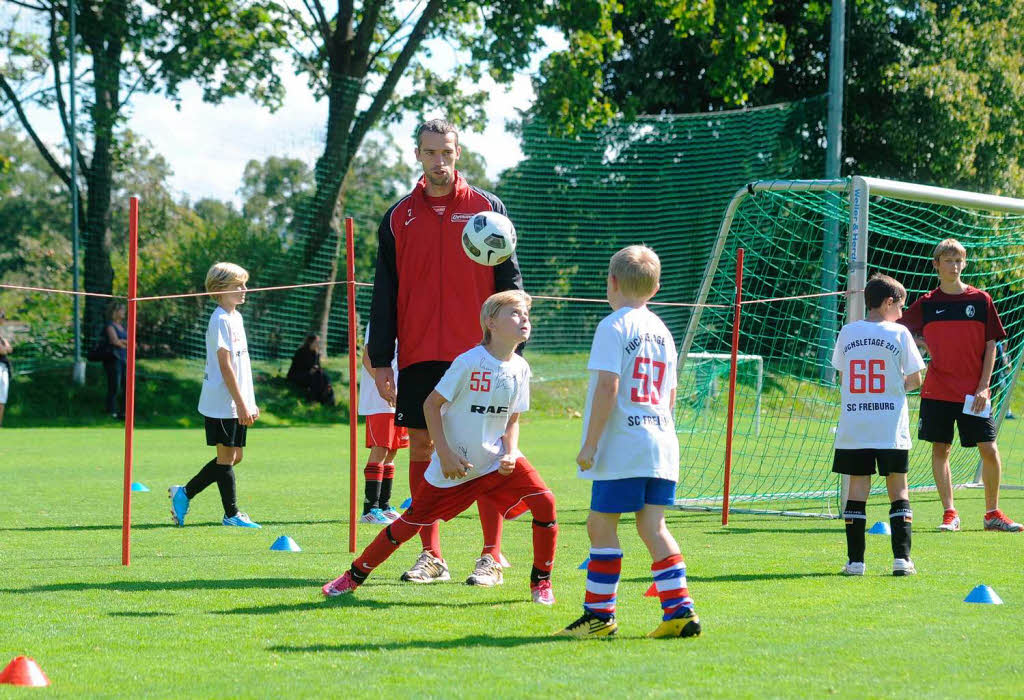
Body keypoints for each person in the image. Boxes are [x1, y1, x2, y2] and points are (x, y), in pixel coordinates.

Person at [322, 290, 558, 605]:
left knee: (545, 502)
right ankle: (353, 576)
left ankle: (540, 583)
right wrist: (444, 453)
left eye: (526, 315)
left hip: (495, 461)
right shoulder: (470, 361)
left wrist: (512, 451)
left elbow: (512, 420)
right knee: (409, 523)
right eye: (515, 313)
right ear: (490, 322)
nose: (524, 320)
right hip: (454, 465)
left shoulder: (521, 367)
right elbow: (431, 405)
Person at [367, 118, 524, 585]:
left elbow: (509, 281)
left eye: (447, 152)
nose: (440, 161)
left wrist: (513, 343)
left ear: (459, 153)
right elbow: (385, 292)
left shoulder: (487, 210)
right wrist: (380, 360)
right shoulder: (398, 217)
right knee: (421, 445)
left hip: (479, 353)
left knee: (489, 450)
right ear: (418, 154)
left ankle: (491, 555)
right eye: (431, 152)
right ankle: (431, 556)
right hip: (419, 352)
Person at [557, 245, 700, 640]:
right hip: (661, 441)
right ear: (655, 288)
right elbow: (669, 394)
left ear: (612, 282)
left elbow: (608, 386)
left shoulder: (614, 325)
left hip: (624, 443)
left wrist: (590, 444)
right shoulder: (663, 331)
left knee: (600, 524)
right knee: (653, 527)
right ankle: (680, 611)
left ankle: (599, 615)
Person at [900, 238, 1022, 532]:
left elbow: (991, 345)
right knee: (941, 449)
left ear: (964, 264)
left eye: (958, 261)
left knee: (989, 449)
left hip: (974, 393)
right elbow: (899, 328)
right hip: (937, 391)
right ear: (936, 265)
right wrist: (923, 343)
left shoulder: (981, 300)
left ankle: (992, 513)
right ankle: (950, 513)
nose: (954, 266)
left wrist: (983, 386)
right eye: (948, 260)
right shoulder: (927, 304)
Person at [831, 274, 925, 576]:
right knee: (899, 489)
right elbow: (915, 379)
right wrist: (893, 390)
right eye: (901, 305)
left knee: (857, 490)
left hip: (855, 426)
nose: (902, 312)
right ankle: (902, 560)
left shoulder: (847, 332)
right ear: (888, 302)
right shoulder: (900, 333)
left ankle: (856, 563)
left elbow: (843, 376)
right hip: (889, 427)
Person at [169, 262, 261, 529]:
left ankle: (184, 492)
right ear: (220, 290)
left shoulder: (236, 317)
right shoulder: (219, 318)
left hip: (236, 402)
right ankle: (231, 514)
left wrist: (249, 401)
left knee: (234, 458)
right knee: (225, 459)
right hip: (222, 403)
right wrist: (241, 403)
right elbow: (225, 365)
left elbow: (243, 365)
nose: (245, 290)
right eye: (238, 286)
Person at [358, 322, 408, 524]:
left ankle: (385, 505)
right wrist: (384, 387)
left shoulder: (405, 319)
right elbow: (367, 356)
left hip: (398, 398)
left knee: (393, 450)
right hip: (380, 400)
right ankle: (370, 509)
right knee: (381, 448)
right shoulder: (381, 319)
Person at [286, 333, 334, 405]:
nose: (318, 344)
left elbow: (318, 367)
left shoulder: (316, 354)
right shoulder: (301, 352)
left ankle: (327, 394)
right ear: (310, 342)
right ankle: (313, 399)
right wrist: (309, 371)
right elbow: (297, 368)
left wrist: (316, 369)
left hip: (311, 375)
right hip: (298, 375)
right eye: (316, 342)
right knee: (316, 377)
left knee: (322, 376)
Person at [102, 303, 129, 419]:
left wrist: (122, 342)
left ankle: (123, 412)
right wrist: (123, 342)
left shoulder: (122, 327)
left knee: (126, 386)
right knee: (114, 385)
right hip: (113, 359)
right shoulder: (110, 326)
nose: (124, 313)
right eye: (122, 310)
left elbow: (130, 342)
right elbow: (114, 341)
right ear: (115, 312)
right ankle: (111, 411)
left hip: (124, 358)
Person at [0, 332, 11, 427]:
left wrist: (4, 341)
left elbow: (9, 349)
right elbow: (2, 351)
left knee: (2, 398)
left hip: (4, 367)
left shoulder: (2, 339)